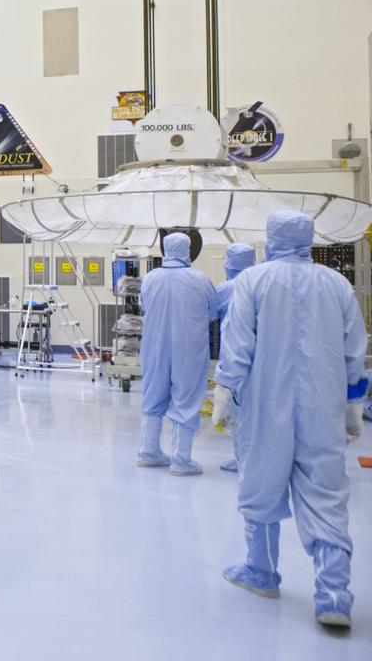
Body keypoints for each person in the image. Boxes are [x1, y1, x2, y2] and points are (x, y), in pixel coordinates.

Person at [213, 210, 367, 628]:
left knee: (261, 482)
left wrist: (224, 390)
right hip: (323, 408)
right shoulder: (336, 284)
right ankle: (333, 594)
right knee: (326, 492)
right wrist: (353, 404)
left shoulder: (253, 281)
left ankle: (261, 571)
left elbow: (237, 345)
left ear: (271, 238)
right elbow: (354, 348)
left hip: (265, 405)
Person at [136, 232, 218, 475]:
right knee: (186, 396)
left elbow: (143, 306)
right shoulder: (200, 280)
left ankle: (148, 452)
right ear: (188, 250)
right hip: (188, 347)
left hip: (154, 346)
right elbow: (212, 312)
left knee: (153, 393)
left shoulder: (150, 279)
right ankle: (181, 460)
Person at [213, 243, 257, 473]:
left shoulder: (225, 289)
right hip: (262, 357)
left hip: (234, 355)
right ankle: (249, 458)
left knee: (240, 410)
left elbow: (209, 312)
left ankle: (243, 460)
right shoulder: (261, 283)